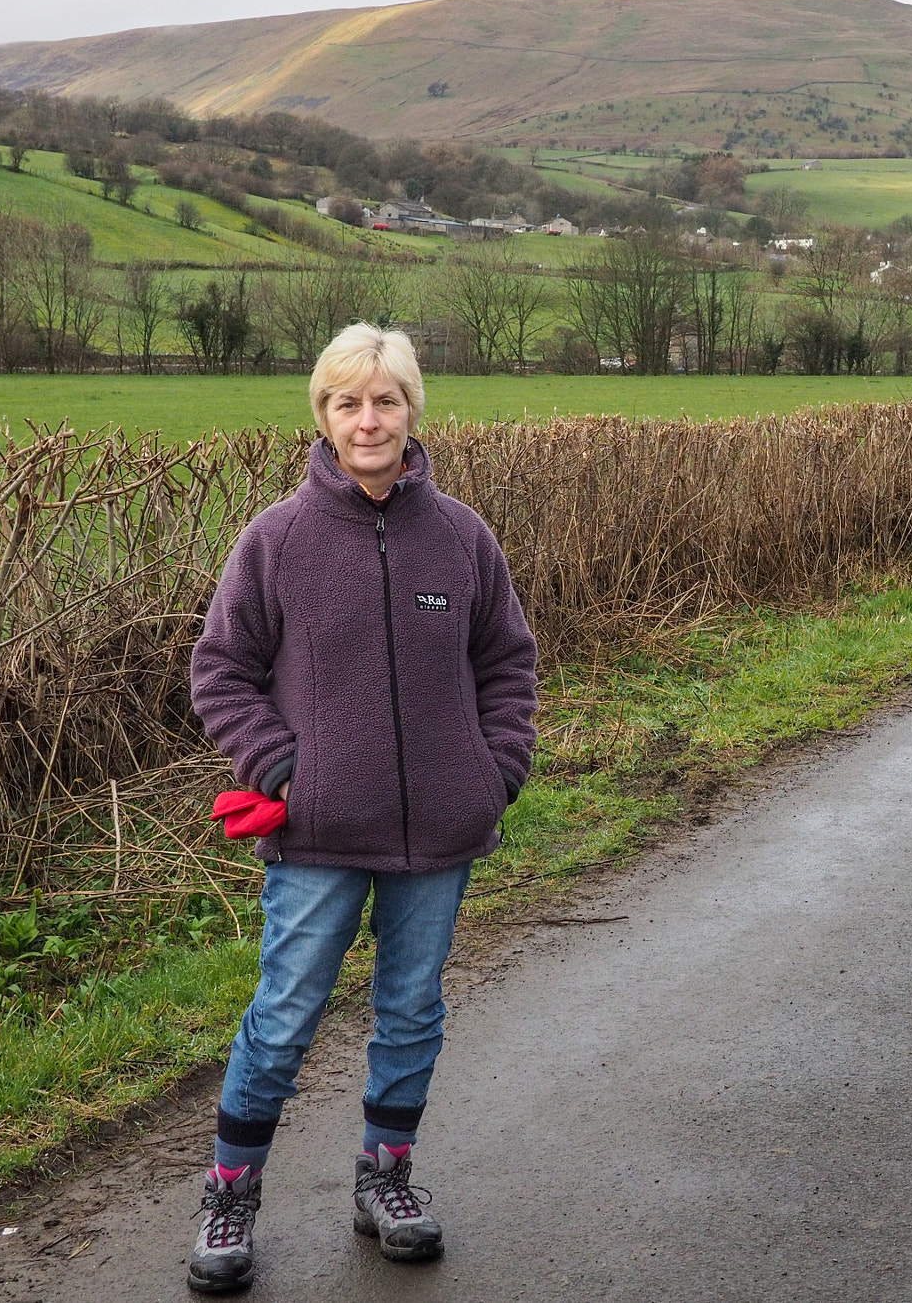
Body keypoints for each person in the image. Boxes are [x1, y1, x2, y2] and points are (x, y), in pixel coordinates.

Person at [183, 323, 538, 1293]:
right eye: (348, 402)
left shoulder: (462, 537)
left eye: (385, 400)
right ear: (323, 417)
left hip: (439, 832)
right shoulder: (278, 539)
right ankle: (229, 1193)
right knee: (284, 1011)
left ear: (413, 410)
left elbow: (506, 662)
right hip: (316, 835)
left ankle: (385, 1179)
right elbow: (219, 670)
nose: (368, 419)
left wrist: (492, 768)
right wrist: (279, 766)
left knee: (412, 1009)